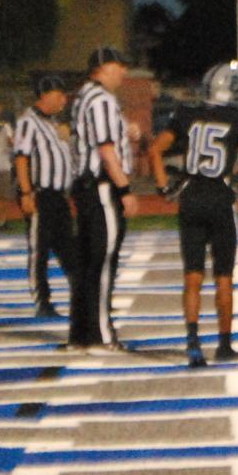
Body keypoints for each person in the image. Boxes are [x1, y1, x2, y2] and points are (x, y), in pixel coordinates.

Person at [148, 61, 238, 366]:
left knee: (192, 275)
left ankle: (193, 343)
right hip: (220, 199)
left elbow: (155, 149)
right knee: (223, 276)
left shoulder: (185, 115)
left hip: (191, 197)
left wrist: (163, 187)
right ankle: (223, 345)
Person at [68, 46, 137, 353]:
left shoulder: (83, 96)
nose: (123, 72)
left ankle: (81, 333)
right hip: (101, 188)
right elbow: (106, 151)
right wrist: (124, 189)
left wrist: (127, 130)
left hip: (85, 188)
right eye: (118, 66)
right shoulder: (102, 100)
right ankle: (102, 334)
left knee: (87, 263)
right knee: (104, 261)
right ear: (103, 68)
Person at [12, 75, 78, 320]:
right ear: (45, 95)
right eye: (59, 94)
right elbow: (21, 157)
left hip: (58, 196)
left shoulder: (53, 123)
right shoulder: (28, 122)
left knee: (68, 247)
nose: (64, 99)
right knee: (39, 249)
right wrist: (27, 192)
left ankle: (79, 294)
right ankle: (43, 301)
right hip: (40, 194)